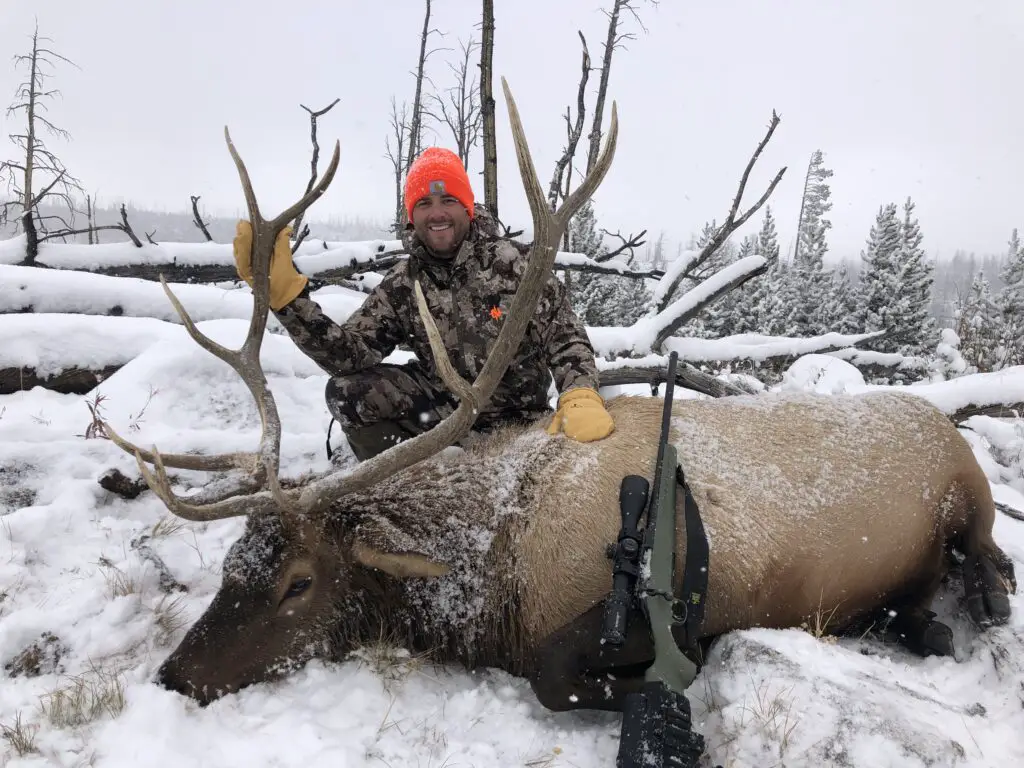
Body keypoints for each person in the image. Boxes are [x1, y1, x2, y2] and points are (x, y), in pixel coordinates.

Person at [232, 146, 614, 462]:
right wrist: (288, 301)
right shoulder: (404, 282)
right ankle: (403, 485)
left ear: (467, 207)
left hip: (517, 421)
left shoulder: (517, 266)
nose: (437, 213)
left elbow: (565, 337)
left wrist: (579, 392)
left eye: (448, 199)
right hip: (438, 419)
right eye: (424, 203)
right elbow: (348, 356)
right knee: (349, 392)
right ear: (411, 216)